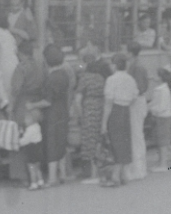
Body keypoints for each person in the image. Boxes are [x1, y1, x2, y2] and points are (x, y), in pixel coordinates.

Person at [8, 39, 47, 185]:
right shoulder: (40, 66)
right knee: (35, 140)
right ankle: (37, 176)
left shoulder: (21, 68)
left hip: (23, 105)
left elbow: (15, 90)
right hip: (36, 105)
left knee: (20, 138)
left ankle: (23, 177)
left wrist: (11, 107)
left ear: (21, 53)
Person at [101, 53, 139, 187]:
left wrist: (104, 123)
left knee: (115, 143)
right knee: (124, 142)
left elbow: (108, 102)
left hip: (115, 112)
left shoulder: (111, 79)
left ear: (115, 65)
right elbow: (135, 96)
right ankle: (123, 174)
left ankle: (115, 175)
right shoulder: (130, 79)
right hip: (126, 111)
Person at [74, 50, 106, 184]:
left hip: (88, 109)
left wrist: (80, 115)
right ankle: (98, 172)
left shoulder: (84, 78)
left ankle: (92, 175)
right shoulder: (101, 77)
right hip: (100, 108)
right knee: (98, 139)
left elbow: (77, 99)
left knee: (88, 140)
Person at [42, 44, 70, 186]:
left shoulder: (51, 78)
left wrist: (33, 105)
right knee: (61, 142)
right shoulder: (64, 74)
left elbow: (47, 101)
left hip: (52, 113)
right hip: (63, 110)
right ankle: (63, 174)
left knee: (52, 143)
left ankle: (52, 178)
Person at [126, 42, 149, 181]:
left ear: (130, 53)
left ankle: (139, 169)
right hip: (137, 101)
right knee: (136, 135)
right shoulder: (136, 65)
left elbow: (139, 87)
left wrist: (128, 97)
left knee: (136, 136)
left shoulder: (137, 67)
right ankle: (139, 168)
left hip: (136, 102)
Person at [148, 68, 171, 172]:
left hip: (163, 117)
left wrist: (149, 108)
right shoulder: (160, 89)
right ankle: (160, 162)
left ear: (161, 77)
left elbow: (161, 106)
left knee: (162, 142)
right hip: (160, 117)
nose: (153, 76)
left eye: (156, 75)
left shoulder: (162, 90)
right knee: (159, 140)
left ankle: (163, 164)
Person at [19, 109, 45, 191]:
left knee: (31, 168)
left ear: (31, 120)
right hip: (38, 149)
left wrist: (19, 142)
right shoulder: (37, 127)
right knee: (37, 168)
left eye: (26, 119)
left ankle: (34, 184)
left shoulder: (30, 129)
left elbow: (26, 140)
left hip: (31, 150)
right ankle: (41, 182)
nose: (24, 121)